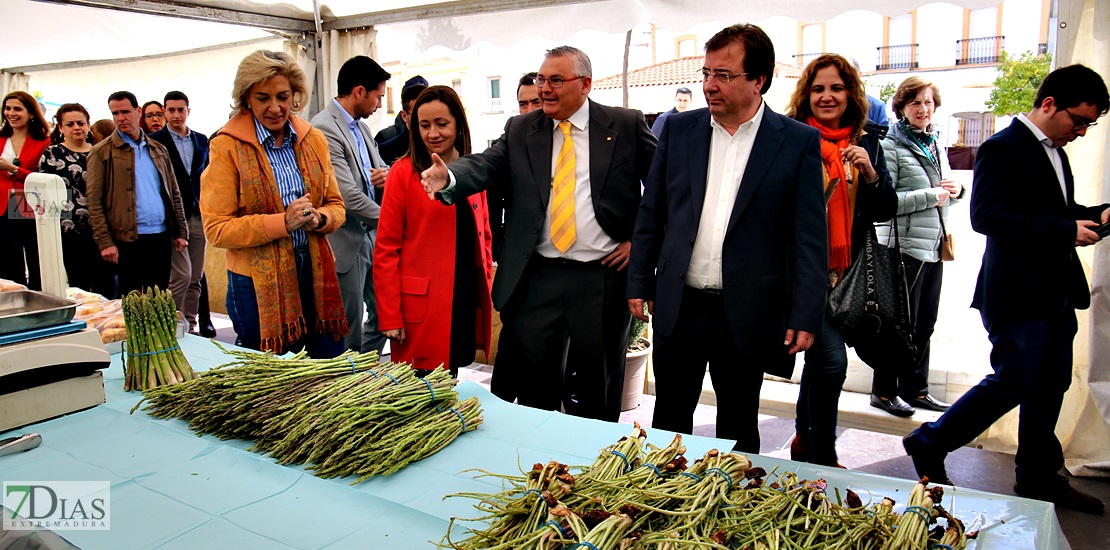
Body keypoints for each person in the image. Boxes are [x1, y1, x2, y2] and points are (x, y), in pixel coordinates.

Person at [903, 64, 1110, 515]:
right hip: (1017, 292)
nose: (1081, 131)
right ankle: (929, 441)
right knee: (1016, 379)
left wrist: (1095, 215)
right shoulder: (1003, 147)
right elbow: (989, 218)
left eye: (1088, 125)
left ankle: (1037, 478)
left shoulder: (1055, 151)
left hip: (1054, 290)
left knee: (1050, 384)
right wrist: (1064, 230)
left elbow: (1057, 211)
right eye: (1078, 119)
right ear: (1049, 103)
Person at [422, 46, 656, 421]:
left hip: (601, 277)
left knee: (599, 387)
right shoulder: (521, 129)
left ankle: (592, 465)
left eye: (556, 81)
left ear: (585, 84)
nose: (545, 88)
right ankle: (538, 465)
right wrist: (449, 176)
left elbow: (663, 190)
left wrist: (639, 244)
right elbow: (486, 164)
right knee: (534, 389)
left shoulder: (624, 125)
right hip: (539, 277)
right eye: (541, 79)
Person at [626, 24, 828, 453]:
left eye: (723, 75)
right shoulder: (679, 131)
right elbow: (653, 214)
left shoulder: (796, 143)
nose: (709, 86)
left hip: (748, 308)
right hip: (680, 304)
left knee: (738, 424)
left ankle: (731, 507)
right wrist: (640, 281)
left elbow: (809, 238)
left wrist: (805, 312)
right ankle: (661, 501)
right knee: (668, 422)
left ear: (759, 80)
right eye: (706, 74)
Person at [785, 54, 896, 464]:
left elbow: (886, 210)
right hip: (803, 271)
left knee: (820, 362)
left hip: (848, 274)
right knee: (830, 361)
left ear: (850, 93)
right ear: (806, 94)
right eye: (818, 88)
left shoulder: (867, 143)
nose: (827, 96)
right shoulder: (790, 138)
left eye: (836, 88)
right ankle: (822, 452)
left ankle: (803, 438)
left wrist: (870, 174)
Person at [200, 50, 348, 358]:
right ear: (246, 99)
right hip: (254, 283)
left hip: (315, 270)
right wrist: (284, 223)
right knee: (273, 374)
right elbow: (217, 229)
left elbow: (336, 205)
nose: (275, 107)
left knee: (323, 369)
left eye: (282, 96)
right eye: (263, 98)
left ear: (295, 95)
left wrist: (319, 219)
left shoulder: (313, 140)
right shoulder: (226, 146)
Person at [375, 85, 493, 376]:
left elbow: (485, 234)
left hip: (462, 298)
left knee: (451, 378)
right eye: (424, 125)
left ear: (458, 124)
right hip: (420, 307)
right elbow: (385, 249)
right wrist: (390, 315)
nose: (433, 133)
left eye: (442, 124)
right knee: (418, 391)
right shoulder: (403, 173)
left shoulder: (472, 170)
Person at [870, 76, 961, 416]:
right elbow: (887, 203)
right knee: (895, 325)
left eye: (928, 103)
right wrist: (933, 195)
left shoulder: (934, 142)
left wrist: (956, 191)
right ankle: (883, 391)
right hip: (902, 247)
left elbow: (947, 189)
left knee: (925, 323)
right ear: (902, 108)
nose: (923, 109)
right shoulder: (890, 146)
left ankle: (916, 389)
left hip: (934, 244)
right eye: (915, 103)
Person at [310, 55, 391, 354]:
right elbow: (348, 197)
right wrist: (392, 222)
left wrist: (390, 174)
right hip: (346, 240)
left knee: (385, 316)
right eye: (378, 96)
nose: (380, 105)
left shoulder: (362, 128)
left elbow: (381, 169)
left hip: (370, 236)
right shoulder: (323, 128)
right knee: (349, 325)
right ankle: (349, 382)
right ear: (359, 92)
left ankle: (365, 370)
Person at [85, 91, 188, 296]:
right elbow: (94, 201)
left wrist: (180, 231)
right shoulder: (101, 152)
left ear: (137, 111)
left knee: (159, 296)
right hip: (128, 238)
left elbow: (173, 192)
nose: (121, 118)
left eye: (125, 111)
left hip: (159, 234)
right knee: (132, 298)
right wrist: (105, 243)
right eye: (115, 113)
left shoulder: (158, 149)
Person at [38, 103, 116, 298]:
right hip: (69, 230)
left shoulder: (102, 151)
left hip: (103, 229)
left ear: (88, 125)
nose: (76, 127)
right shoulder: (52, 154)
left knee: (106, 284)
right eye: (70, 124)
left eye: (80, 123)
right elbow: (42, 193)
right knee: (78, 285)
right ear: (61, 128)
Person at [150, 91, 209, 332]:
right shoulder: (154, 140)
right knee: (181, 276)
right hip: (172, 216)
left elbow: (206, 174)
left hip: (198, 212)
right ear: (164, 111)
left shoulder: (201, 139)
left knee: (196, 276)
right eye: (171, 110)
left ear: (188, 111)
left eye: (180, 110)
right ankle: (169, 325)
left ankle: (190, 324)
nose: (176, 114)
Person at [0, 91, 51, 289]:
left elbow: (41, 177)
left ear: (31, 113)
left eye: (17, 109)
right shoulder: (1, 138)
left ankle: (38, 299)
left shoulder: (43, 142)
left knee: (36, 256)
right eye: (7, 108)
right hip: (3, 204)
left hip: (29, 202)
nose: (11, 113)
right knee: (8, 257)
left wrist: (12, 169)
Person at [377, 75, 429, 166]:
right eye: (417, 114)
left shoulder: (442, 142)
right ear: (404, 116)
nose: (423, 119)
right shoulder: (386, 149)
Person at [850, 58, 889, 129]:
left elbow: (883, 137)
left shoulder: (877, 107)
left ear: (859, 75)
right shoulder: (828, 104)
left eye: (848, 73)